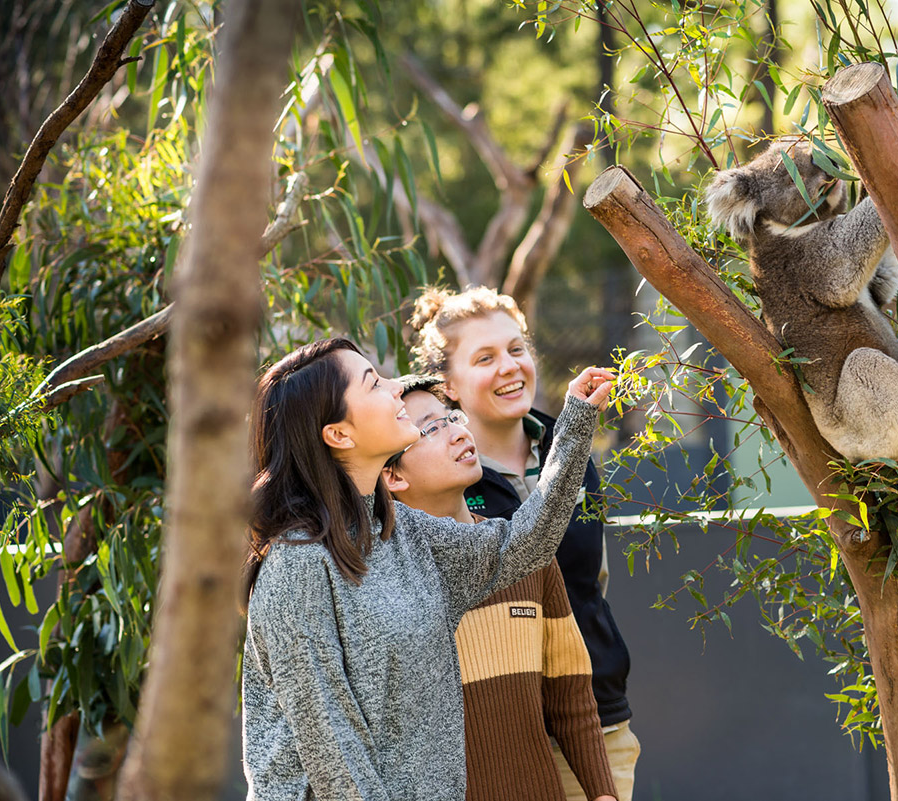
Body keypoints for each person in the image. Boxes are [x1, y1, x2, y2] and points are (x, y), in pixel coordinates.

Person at [241, 337, 613, 801]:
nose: (396, 389)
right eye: (374, 383)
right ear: (339, 434)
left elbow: (520, 548)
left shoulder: (402, 531)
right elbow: (332, 751)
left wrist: (574, 423)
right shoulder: (297, 563)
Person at [409, 287, 640, 801]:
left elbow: (592, 580)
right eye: (485, 358)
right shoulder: (441, 480)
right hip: (499, 736)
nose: (509, 367)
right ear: (447, 384)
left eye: (516, 349)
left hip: (597, 720)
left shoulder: (569, 443)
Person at [381, 375, 617, 801]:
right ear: (391, 476)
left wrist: (602, 793)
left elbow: (570, 695)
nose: (457, 431)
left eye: (453, 417)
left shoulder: (526, 556)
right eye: (431, 429)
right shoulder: (384, 581)